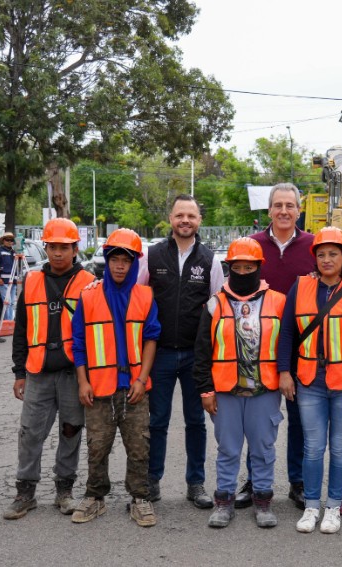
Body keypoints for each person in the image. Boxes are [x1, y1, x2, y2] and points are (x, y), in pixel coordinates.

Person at [279, 227, 342, 535]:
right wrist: (284, 371)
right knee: (311, 447)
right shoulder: (300, 288)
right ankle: (311, 505)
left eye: (333, 253)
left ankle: (332, 506)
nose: (327, 259)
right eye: (321, 254)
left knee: (340, 447)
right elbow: (287, 334)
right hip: (309, 381)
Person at [4, 218, 96, 520]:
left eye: (64, 248)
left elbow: (96, 331)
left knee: (71, 430)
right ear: (46, 247)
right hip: (38, 373)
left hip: (73, 374)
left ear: (74, 249)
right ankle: (25, 492)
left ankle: (64, 491)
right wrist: (19, 372)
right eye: (53, 247)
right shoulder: (31, 281)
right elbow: (20, 330)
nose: (58, 253)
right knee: (30, 433)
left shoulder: (88, 282)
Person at [70, 228, 161, 526]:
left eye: (126, 260)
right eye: (115, 259)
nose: (120, 265)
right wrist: (83, 382)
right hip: (98, 389)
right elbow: (79, 344)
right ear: (106, 261)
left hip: (134, 389)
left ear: (135, 264)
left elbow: (150, 339)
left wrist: (141, 379)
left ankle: (140, 498)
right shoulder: (89, 296)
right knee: (97, 446)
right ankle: (95, 497)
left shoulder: (145, 295)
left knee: (139, 447)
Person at [193, 238, 286, 529]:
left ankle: (263, 502)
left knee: (262, 448)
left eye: (249, 267)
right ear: (229, 268)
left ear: (259, 267)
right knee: (228, 449)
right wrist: (206, 389)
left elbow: (287, 347)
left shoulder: (279, 301)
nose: (243, 272)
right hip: (225, 391)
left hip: (265, 390)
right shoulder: (214, 304)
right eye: (238, 267)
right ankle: (224, 502)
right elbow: (202, 351)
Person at [138, 195, 223, 509]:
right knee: (157, 421)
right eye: (179, 215)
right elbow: (138, 297)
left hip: (195, 356)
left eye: (191, 216)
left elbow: (218, 306)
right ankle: (152, 480)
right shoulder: (152, 255)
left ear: (199, 220)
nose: (185, 220)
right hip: (158, 353)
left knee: (195, 422)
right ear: (170, 218)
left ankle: (196, 483)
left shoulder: (210, 260)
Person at [244, 182, 315, 509]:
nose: (284, 211)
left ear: (299, 210)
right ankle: (254, 481)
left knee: (301, 420)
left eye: (290, 205)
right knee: (258, 421)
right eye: (278, 205)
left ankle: (298, 482)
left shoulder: (315, 247)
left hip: (303, 346)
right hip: (258, 347)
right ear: (269, 209)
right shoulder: (251, 245)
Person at [0, 232, 18, 320]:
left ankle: (9, 321)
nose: (9, 242)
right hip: (3, 281)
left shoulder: (14, 252)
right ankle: (8, 321)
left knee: (11, 303)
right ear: (3, 240)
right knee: (8, 302)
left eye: (11, 240)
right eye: (7, 239)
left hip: (13, 281)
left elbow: (18, 266)